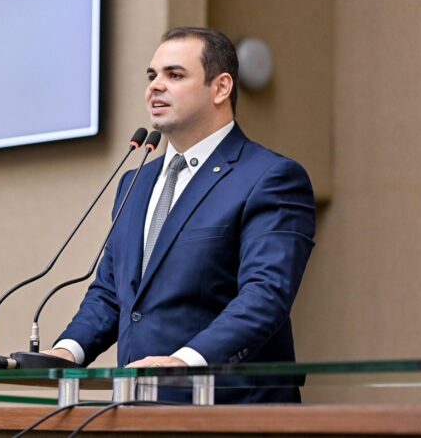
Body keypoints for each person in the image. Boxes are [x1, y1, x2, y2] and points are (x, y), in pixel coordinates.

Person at [44, 27, 316, 403]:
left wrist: (185, 362)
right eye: (151, 76)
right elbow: (112, 291)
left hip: (231, 411)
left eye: (174, 75)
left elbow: (265, 294)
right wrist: (67, 352)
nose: (155, 87)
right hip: (138, 408)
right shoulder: (136, 181)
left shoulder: (270, 177)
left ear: (220, 88)